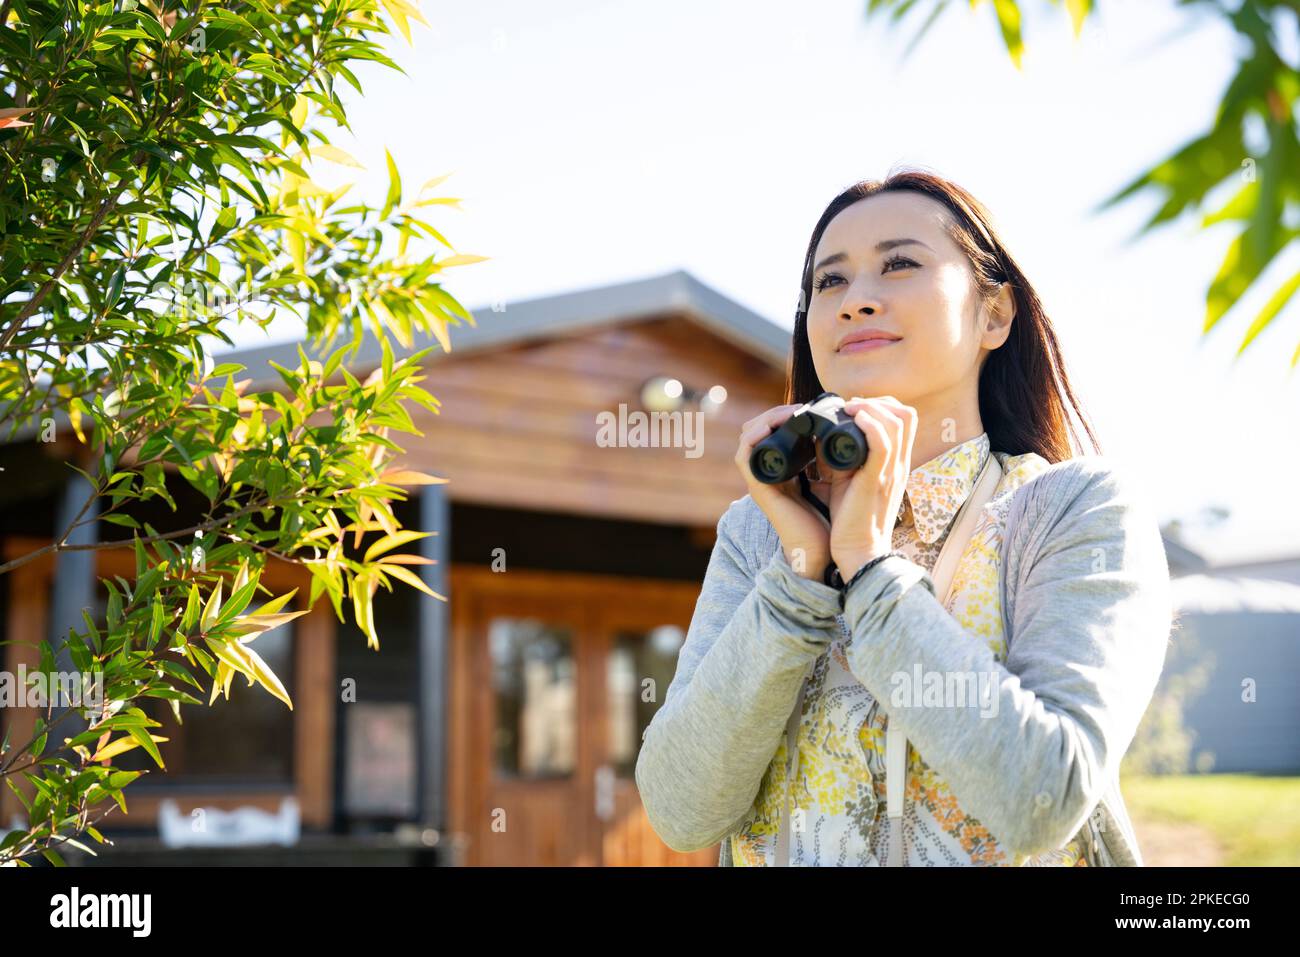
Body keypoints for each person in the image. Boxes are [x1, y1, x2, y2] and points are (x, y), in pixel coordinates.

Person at [634, 168, 1173, 866]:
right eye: (829, 282)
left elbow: (1044, 797)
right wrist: (799, 580)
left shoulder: (1072, 509)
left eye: (899, 264)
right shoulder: (756, 531)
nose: (856, 300)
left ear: (995, 314)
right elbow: (681, 811)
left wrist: (867, 563)